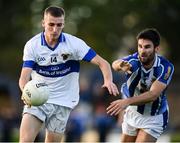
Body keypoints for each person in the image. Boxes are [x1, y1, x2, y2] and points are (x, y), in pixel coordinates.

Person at [19, 6, 119, 142]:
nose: (55, 29)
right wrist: (26, 93)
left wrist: (108, 80)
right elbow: (23, 78)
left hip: (63, 101)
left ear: (64, 24)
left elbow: (103, 63)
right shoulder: (32, 45)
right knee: (25, 140)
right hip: (38, 99)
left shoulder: (74, 44)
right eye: (51, 24)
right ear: (43, 23)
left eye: (59, 25)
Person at [107, 28, 174, 142]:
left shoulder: (165, 67)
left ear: (156, 49)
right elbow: (115, 64)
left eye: (147, 47)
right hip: (132, 112)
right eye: (140, 46)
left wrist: (126, 102)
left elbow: (153, 95)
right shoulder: (133, 61)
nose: (142, 51)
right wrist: (120, 65)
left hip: (153, 117)